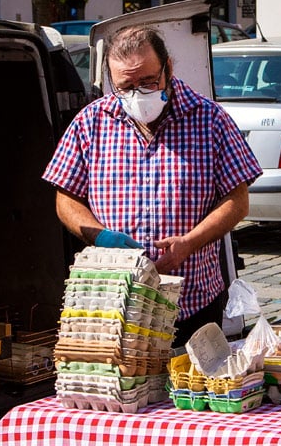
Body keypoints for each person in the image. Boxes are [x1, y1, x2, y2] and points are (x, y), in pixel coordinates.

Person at [43, 25, 262, 345]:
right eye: (126, 86)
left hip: (192, 304)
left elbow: (237, 201)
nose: (138, 94)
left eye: (147, 82)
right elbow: (66, 198)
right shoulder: (91, 122)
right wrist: (99, 235)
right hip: (118, 304)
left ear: (168, 68)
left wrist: (189, 242)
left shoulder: (210, 119)